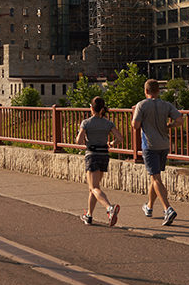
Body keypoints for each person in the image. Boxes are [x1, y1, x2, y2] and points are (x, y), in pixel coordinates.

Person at [132, 79, 183, 226]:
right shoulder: (166, 104)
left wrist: (135, 115)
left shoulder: (142, 105)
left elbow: (135, 125)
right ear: (158, 91)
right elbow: (180, 120)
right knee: (154, 177)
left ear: (146, 91)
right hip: (164, 145)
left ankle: (168, 209)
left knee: (156, 179)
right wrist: (169, 125)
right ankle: (149, 206)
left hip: (150, 145)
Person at [75, 96, 124, 226]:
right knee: (94, 188)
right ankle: (89, 216)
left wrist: (84, 138)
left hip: (92, 155)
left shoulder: (86, 122)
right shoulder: (108, 123)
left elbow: (78, 141)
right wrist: (111, 143)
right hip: (104, 155)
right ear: (103, 109)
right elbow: (120, 138)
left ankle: (109, 208)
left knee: (94, 187)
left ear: (91, 108)